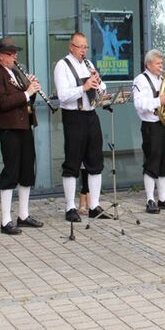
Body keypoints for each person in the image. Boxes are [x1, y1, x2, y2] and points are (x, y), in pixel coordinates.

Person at [0, 37, 43, 235]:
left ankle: (24, 215)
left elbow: (27, 98)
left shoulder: (16, 72)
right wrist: (27, 92)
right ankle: (5, 220)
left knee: (27, 170)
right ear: (1, 57)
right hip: (9, 128)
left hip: (25, 126)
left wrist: (33, 89)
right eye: (11, 53)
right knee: (11, 171)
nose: (15, 56)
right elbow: (3, 102)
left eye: (15, 53)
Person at [54, 32, 107, 223]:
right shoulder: (62, 65)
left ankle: (94, 205)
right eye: (80, 47)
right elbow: (62, 95)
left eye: (85, 47)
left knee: (95, 162)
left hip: (91, 115)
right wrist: (83, 88)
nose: (83, 50)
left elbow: (103, 90)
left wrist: (99, 83)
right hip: (73, 117)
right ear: (71, 47)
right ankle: (70, 207)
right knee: (72, 163)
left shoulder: (89, 64)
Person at [133, 49, 165, 214]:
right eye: (158, 63)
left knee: (164, 160)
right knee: (152, 161)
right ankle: (150, 200)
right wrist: (159, 100)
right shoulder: (140, 80)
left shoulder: (162, 79)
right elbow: (139, 104)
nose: (161, 66)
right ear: (149, 64)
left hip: (164, 123)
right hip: (150, 125)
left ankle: (162, 198)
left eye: (162, 63)